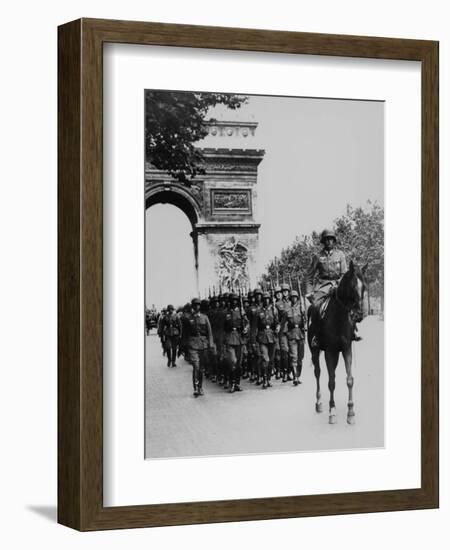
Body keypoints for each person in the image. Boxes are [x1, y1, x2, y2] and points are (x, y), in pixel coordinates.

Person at [306, 228, 348, 347]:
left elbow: (344, 273)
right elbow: (309, 275)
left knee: (349, 304)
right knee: (315, 307)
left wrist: (339, 284)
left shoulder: (340, 255)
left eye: (331, 239)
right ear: (323, 241)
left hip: (338, 285)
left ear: (334, 241)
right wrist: (309, 292)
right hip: (322, 286)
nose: (329, 241)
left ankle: (350, 332)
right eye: (326, 239)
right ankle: (316, 336)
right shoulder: (317, 256)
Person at [185, 298, 214, 397]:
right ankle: (196, 388)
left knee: (201, 368)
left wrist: (210, 344)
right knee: (196, 366)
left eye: (198, 305)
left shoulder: (205, 318)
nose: (196, 307)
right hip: (193, 345)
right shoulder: (189, 319)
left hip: (203, 345)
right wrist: (187, 348)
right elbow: (186, 334)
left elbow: (209, 332)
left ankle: (200, 387)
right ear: (192, 307)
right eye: (195, 305)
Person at [223, 293, 248, 393]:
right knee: (232, 361)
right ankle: (232, 383)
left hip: (239, 338)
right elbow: (223, 328)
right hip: (230, 338)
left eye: (236, 300)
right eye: (232, 300)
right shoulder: (226, 313)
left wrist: (246, 329)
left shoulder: (242, 312)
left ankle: (237, 383)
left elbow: (247, 323)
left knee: (239, 363)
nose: (234, 302)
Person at [281, 290, 306, 385]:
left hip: (300, 334)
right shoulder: (287, 310)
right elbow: (283, 323)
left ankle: (298, 376)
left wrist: (304, 314)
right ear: (290, 299)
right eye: (292, 297)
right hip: (291, 335)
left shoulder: (301, 308)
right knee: (293, 356)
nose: (294, 299)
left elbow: (305, 321)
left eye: (295, 297)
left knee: (300, 357)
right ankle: (295, 377)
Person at [256, 292, 279, 389]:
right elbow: (256, 326)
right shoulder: (259, 311)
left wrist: (278, 327)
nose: (266, 301)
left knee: (271, 360)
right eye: (265, 299)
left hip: (272, 336)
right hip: (262, 337)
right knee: (266, 359)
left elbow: (277, 322)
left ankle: (268, 378)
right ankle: (264, 379)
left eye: (268, 299)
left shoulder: (274, 310)